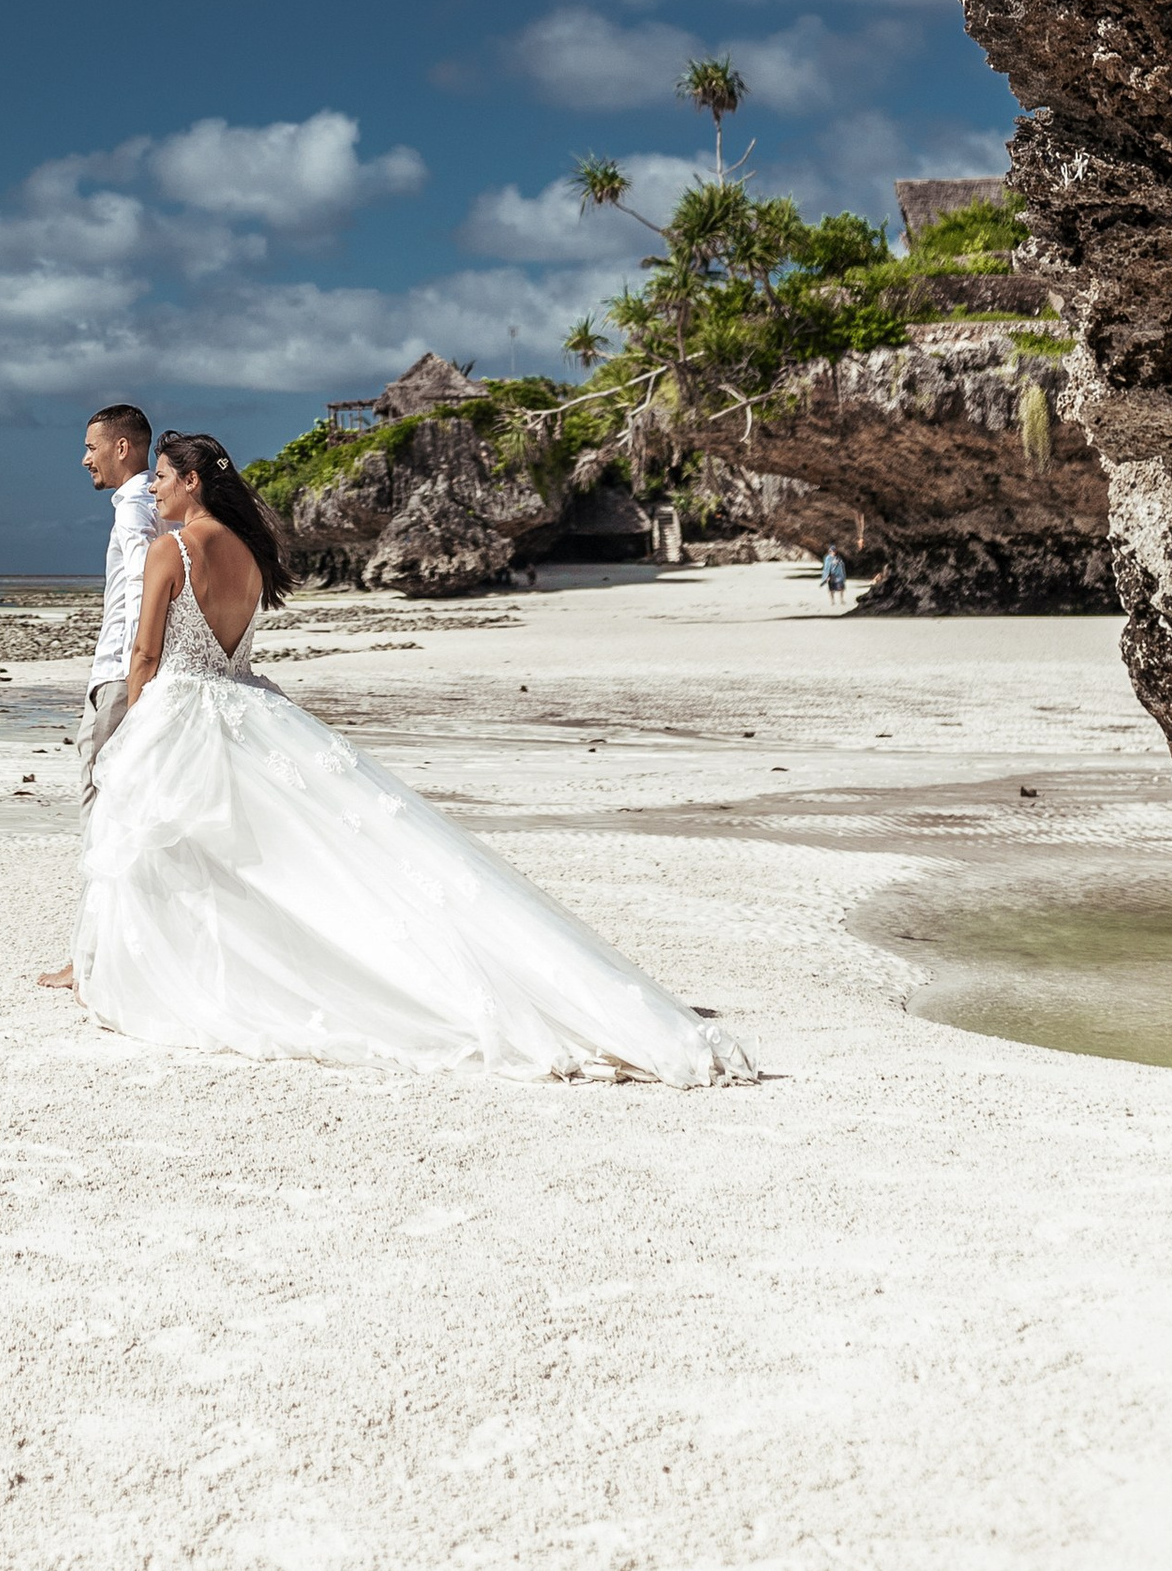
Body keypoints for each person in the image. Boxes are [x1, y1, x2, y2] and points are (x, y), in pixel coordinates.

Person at [62, 429, 754, 1085]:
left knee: (206, 854)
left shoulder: (171, 550)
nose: (154, 488)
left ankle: (197, 975)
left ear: (191, 481)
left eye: (162, 477)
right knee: (283, 856)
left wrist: (135, 727)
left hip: (182, 711)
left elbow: (145, 654)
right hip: (246, 708)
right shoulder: (248, 552)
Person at [36, 402, 157, 993]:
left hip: (118, 679)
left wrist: (135, 683)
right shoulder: (157, 505)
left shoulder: (135, 508)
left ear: (122, 447)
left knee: (101, 812)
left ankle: (90, 958)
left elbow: (139, 597)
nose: (85, 458)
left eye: (91, 447)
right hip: (130, 675)